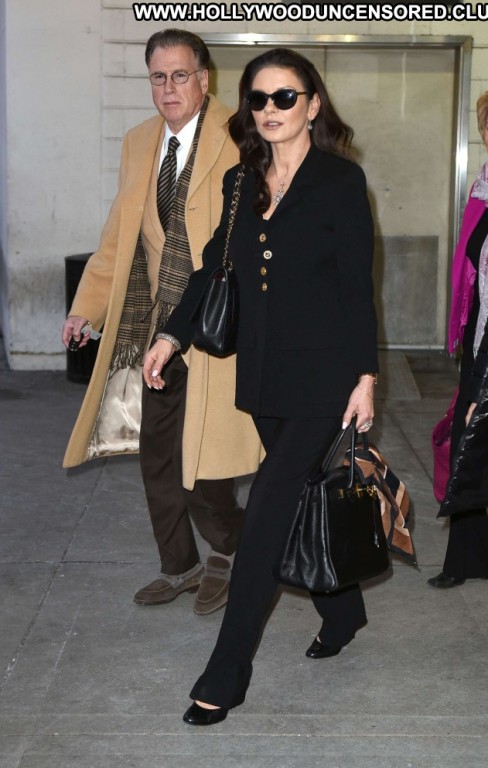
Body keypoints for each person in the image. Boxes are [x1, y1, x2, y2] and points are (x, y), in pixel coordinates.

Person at [143, 48, 378, 724]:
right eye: (259, 98)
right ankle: (344, 611)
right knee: (303, 496)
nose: (270, 109)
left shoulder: (340, 181)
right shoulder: (241, 181)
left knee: (267, 516)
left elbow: (357, 287)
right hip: (265, 376)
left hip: (325, 380)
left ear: (312, 104)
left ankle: (226, 673)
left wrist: (365, 377)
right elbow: (214, 268)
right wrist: (171, 335)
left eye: (285, 97)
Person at [61, 29, 262, 614]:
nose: (169, 88)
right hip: (158, 330)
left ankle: (237, 549)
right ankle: (180, 565)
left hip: (219, 329)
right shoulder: (138, 143)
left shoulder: (241, 136)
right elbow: (118, 237)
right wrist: (85, 307)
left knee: (205, 464)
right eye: (158, 77)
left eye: (180, 75)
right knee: (158, 457)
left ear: (204, 78)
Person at [428, 84, 488, 589]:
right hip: (484, 339)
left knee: (484, 445)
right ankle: (466, 561)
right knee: (468, 444)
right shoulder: (487, 191)